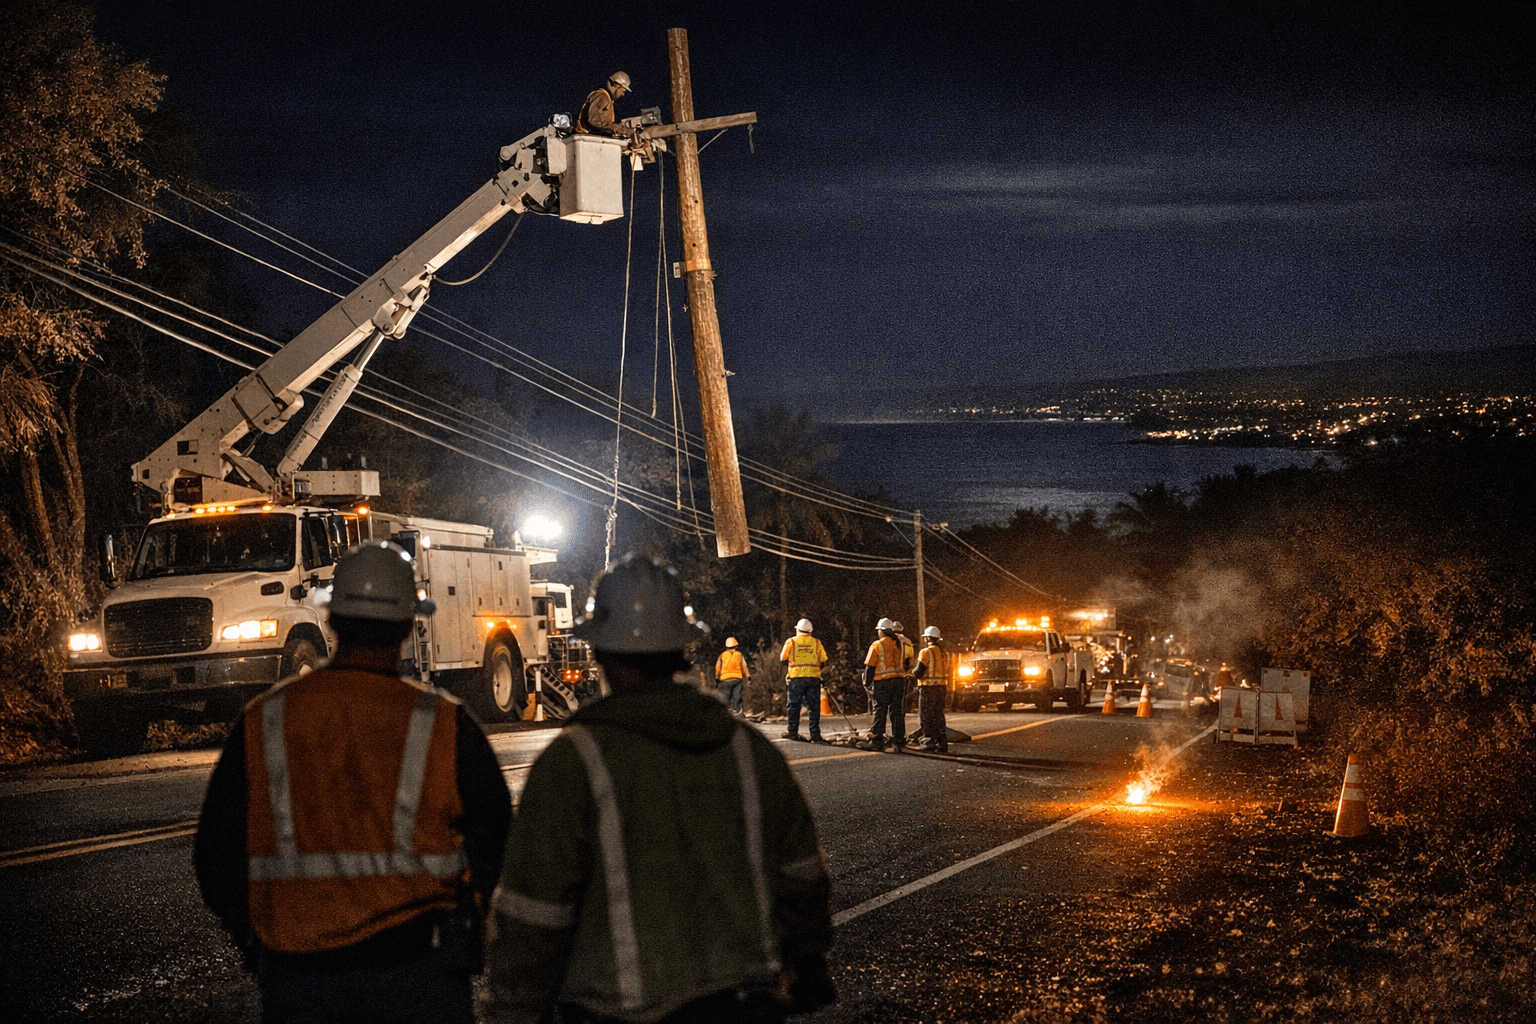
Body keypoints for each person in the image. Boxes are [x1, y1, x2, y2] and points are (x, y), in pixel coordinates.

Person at [483, 556, 836, 1024]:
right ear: (681, 649)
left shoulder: (573, 762)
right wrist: (808, 963)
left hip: (615, 1010)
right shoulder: (750, 752)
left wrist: (514, 1010)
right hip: (745, 1007)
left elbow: (533, 913)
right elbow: (803, 876)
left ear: (600, 652)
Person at [194, 542, 512, 1024]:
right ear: (408, 625)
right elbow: (496, 838)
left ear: (333, 621)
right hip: (417, 971)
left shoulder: (265, 720)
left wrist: (254, 940)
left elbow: (215, 854)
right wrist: (469, 913)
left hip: (298, 977)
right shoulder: (445, 724)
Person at [858, 618, 911, 752]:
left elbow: (870, 667)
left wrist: (867, 683)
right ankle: (899, 742)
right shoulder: (901, 644)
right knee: (897, 711)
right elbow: (908, 662)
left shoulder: (877, 645)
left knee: (880, 711)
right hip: (899, 682)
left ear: (881, 631)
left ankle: (877, 741)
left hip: (882, 682)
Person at [779, 617, 829, 743]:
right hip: (813, 678)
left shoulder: (791, 641)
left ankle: (792, 731)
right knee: (813, 707)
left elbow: (783, 658)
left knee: (794, 705)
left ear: (798, 630)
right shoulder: (817, 642)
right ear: (810, 631)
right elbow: (824, 660)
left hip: (796, 677)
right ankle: (815, 735)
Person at [911, 626, 950, 753]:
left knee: (927, 716)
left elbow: (919, 672)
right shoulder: (944, 653)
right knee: (939, 715)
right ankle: (942, 743)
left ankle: (929, 742)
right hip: (942, 687)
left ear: (927, 638)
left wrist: (911, 673)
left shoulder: (925, 652)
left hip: (928, 689)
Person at [577, 70, 634, 138]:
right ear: (617, 86)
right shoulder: (602, 97)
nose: (622, 94)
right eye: (623, 91)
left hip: (593, 137)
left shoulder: (607, 98)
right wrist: (619, 129)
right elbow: (594, 121)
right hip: (588, 137)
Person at [715, 636, 748, 714]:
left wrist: (717, 678)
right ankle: (735, 709)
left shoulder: (722, 655)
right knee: (737, 694)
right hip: (737, 678)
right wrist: (748, 676)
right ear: (736, 645)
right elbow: (744, 666)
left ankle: (727, 709)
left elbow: (718, 667)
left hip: (725, 679)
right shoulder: (739, 654)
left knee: (726, 695)